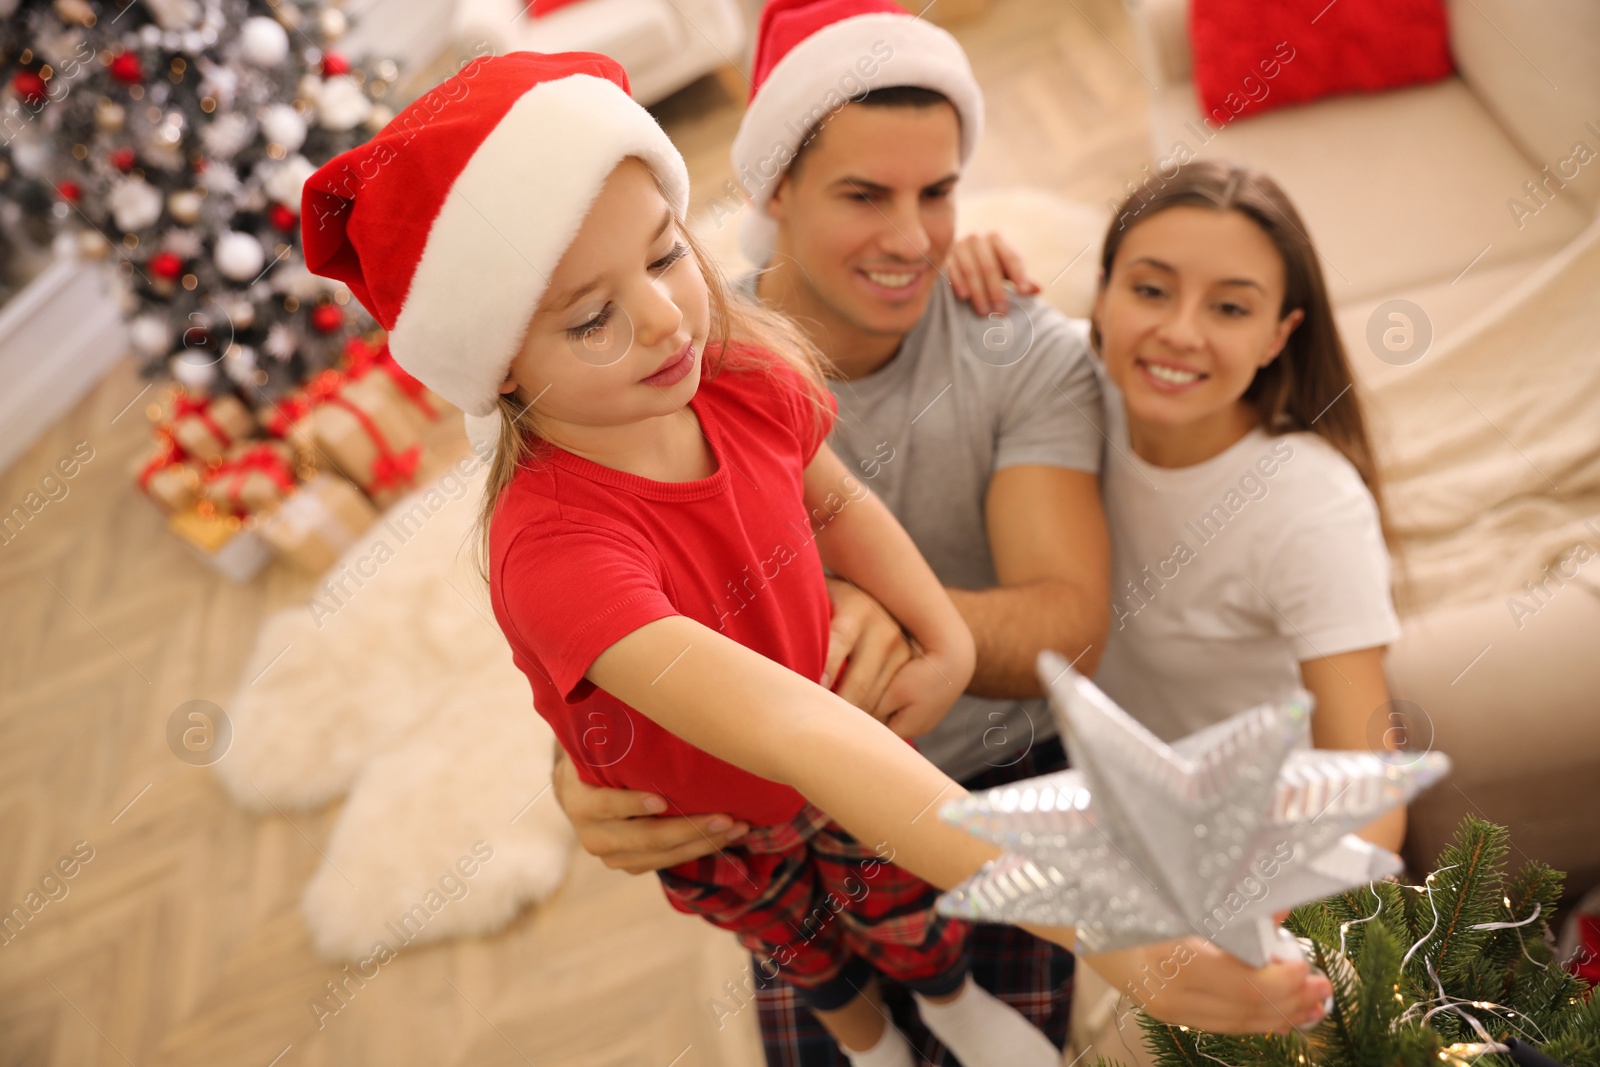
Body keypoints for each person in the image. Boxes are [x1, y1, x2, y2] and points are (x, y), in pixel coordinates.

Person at [547, 0, 1332, 1061]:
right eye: (864, 195)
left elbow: (1065, 625)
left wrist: (893, 618)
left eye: (940, 192)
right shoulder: (673, 361)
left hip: (990, 771)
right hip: (783, 814)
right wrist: (581, 773)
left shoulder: (1024, 353)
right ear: (772, 189)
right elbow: (591, 588)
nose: (913, 240)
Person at [1086, 160, 1406, 851]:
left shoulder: (1312, 508)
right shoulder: (1069, 402)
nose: (1180, 331)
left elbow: (1372, 796)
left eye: (1229, 307)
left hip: (1252, 843)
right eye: (1150, 290)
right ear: (1101, 294)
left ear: (1277, 335)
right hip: (1104, 807)